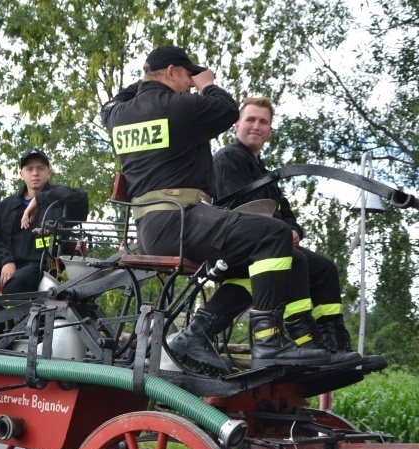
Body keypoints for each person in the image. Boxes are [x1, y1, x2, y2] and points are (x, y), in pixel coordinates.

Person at [100, 45, 334, 374]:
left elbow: (111, 103)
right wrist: (207, 83)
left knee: (282, 259)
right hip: (178, 219)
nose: (189, 83)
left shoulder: (117, 114)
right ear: (170, 72)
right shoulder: (178, 107)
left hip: (155, 224)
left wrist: (146, 80)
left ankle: (196, 336)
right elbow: (226, 110)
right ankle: (268, 345)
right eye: (186, 76)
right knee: (274, 234)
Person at [214, 96, 356, 355]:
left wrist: (293, 230)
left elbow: (286, 212)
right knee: (295, 260)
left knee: (324, 268)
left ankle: (333, 341)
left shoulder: (264, 171)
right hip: (239, 243)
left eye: (263, 122)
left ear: (270, 131)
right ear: (237, 125)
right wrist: (281, 231)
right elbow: (244, 210)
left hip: (271, 239)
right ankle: (303, 338)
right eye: (251, 120)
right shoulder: (228, 159)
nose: (256, 126)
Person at [0, 147, 89, 295]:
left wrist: (40, 199)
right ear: (21, 174)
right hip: (4, 263)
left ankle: (9, 318)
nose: (35, 173)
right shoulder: (8, 204)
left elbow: (81, 196)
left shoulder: (60, 203)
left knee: (17, 282)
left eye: (40, 168)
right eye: (29, 169)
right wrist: (7, 261)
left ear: (48, 172)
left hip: (39, 267)